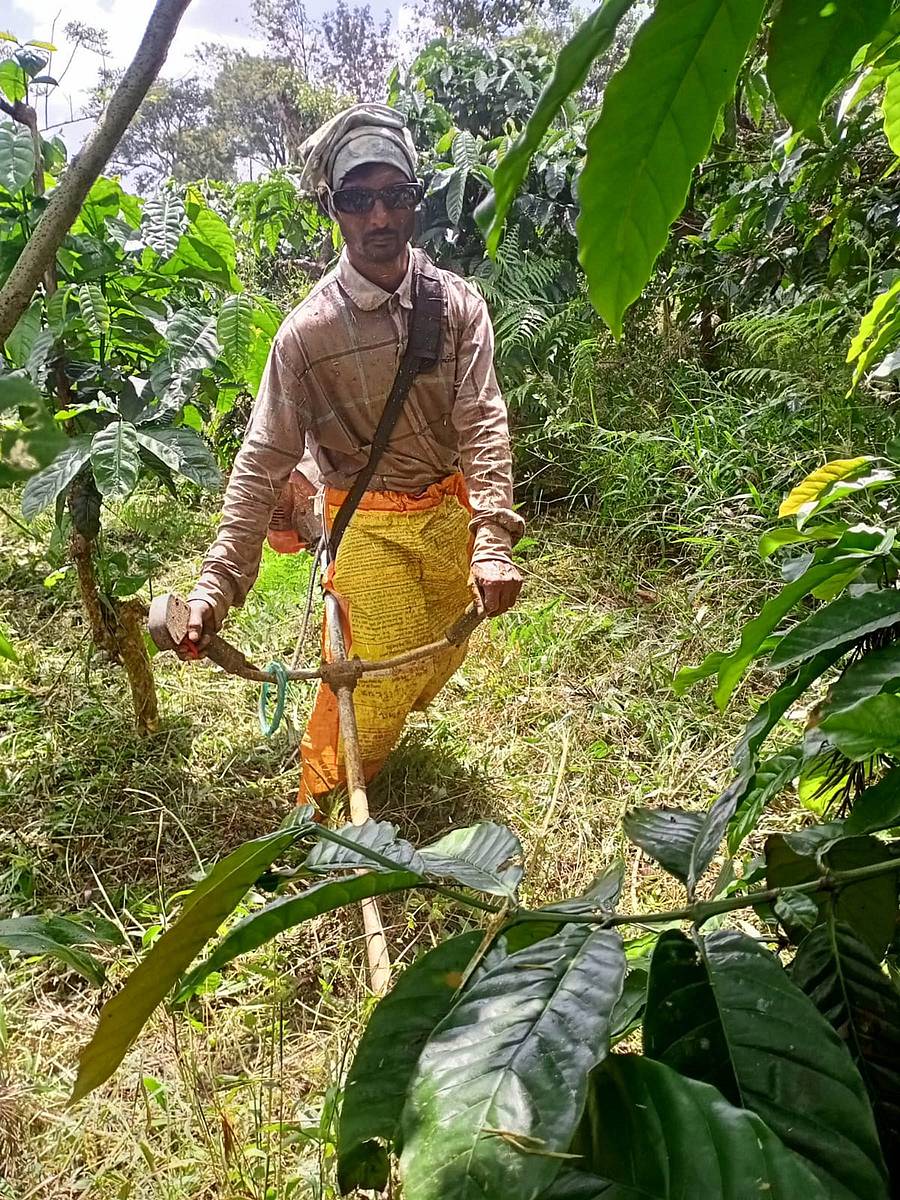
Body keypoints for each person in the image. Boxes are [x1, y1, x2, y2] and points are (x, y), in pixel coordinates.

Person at [182, 103, 524, 806]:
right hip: (364, 519)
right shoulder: (306, 336)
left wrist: (491, 538)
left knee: (435, 653)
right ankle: (321, 805)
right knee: (370, 677)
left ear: (415, 203)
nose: (379, 219)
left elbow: (482, 421)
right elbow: (261, 462)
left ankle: (369, 751)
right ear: (332, 209)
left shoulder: (457, 307)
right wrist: (216, 589)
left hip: (446, 516)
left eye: (394, 197)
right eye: (358, 200)